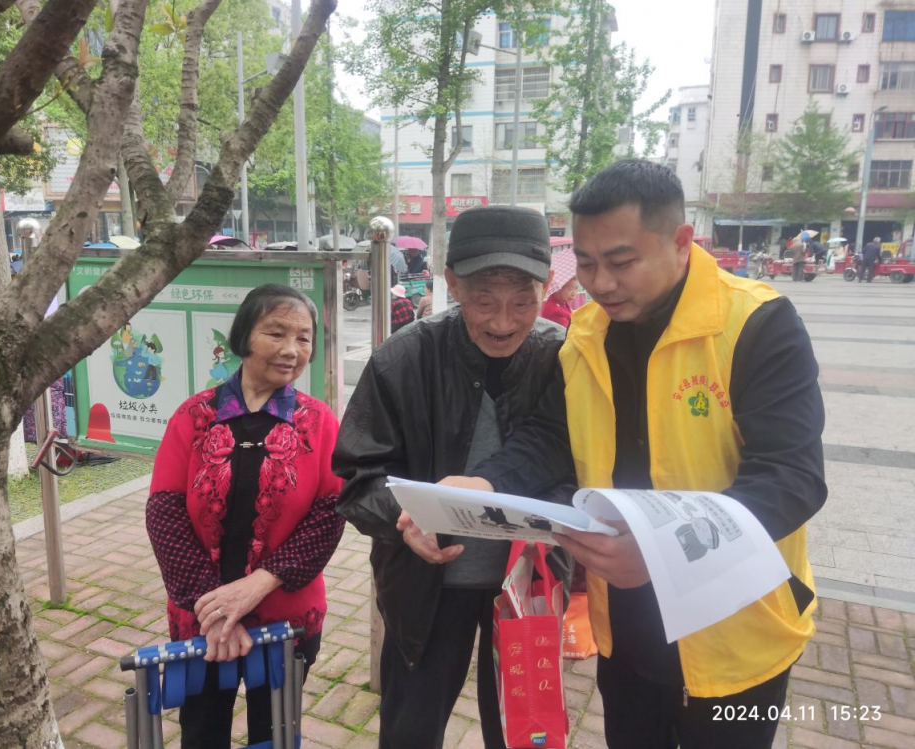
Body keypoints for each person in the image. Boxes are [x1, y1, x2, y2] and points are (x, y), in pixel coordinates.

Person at [444, 160, 826, 749]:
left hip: (737, 629)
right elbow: (552, 436)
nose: (601, 283)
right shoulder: (585, 334)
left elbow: (791, 478)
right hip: (626, 627)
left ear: (681, 241)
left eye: (621, 262)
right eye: (586, 263)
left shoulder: (756, 324)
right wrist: (485, 485)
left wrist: (663, 551)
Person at [333, 205, 571, 749]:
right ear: (452, 284)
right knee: (411, 731)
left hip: (527, 581)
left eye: (522, 302)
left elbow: (574, 460)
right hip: (426, 586)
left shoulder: (563, 356)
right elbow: (357, 477)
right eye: (484, 300)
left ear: (545, 289)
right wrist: (404, 518)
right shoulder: (403, 359)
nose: (503, 322)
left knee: (523, 734)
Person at [146, 284, 345, 748]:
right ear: (243, 337)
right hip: (202, 621)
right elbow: (164, 513)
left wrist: (255, 587)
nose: (291, 350)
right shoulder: (194, 416)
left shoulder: (319, 423)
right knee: (201, 733)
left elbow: (329, 515)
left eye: (303, 338)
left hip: (285, 621)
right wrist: (216, 612)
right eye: (276, 333)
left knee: (274, 735)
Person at [540, 250, 581, 328]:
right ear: (559, 289)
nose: (574, 293)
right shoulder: (556, 311)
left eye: (576, 288)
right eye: (571, 289)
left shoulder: (561, 300)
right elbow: (565, 331)